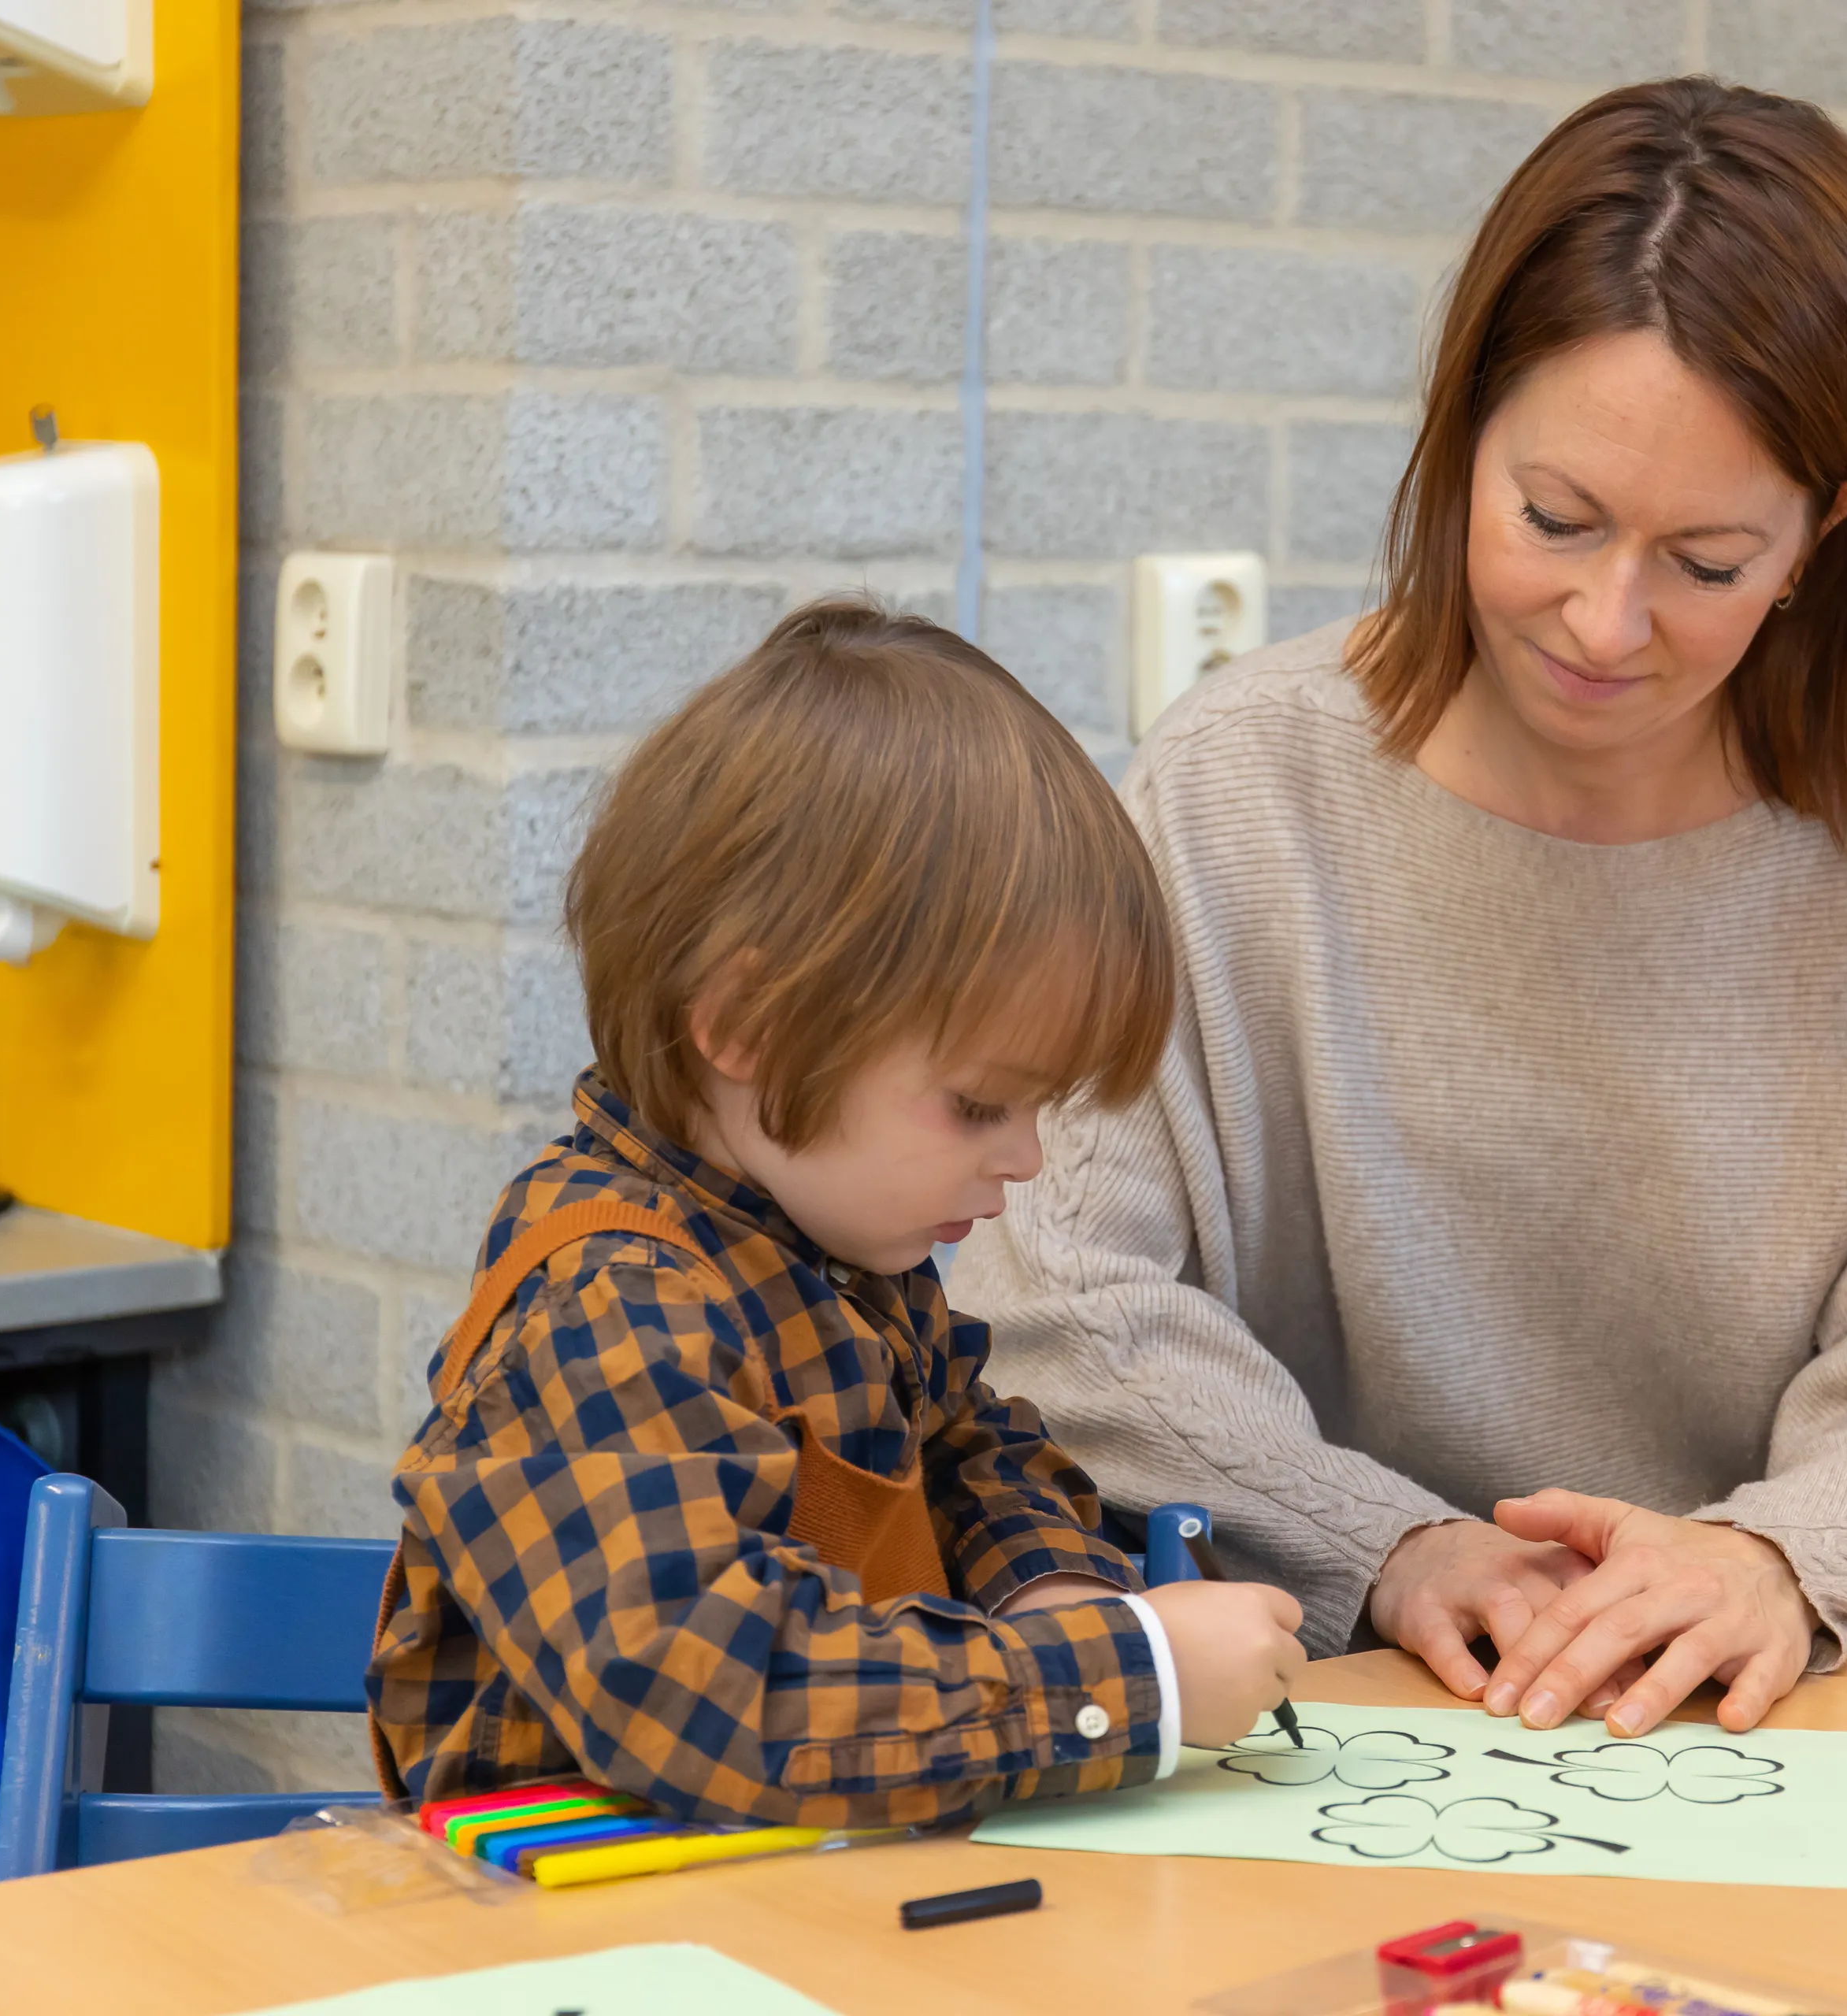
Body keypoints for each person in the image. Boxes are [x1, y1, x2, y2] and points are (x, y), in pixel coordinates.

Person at [954, 77, 1847, 1745]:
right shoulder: (1235, 790)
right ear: (1461, 440)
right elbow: (1057, 1300)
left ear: (1826, 532)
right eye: (1554, 519)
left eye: (1706, 562)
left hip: (1774, 1716)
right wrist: (1388, 1541)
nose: (1604, 620)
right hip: (1337, 1695)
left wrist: (1775, 1556)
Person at [365, 598, 1306, 1827]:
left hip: (799, 1885)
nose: (1025, 1160)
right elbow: (719, 1700)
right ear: (749, 1026)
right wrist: (1124, 1680)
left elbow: (970, 1453)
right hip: (572, 1912)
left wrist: (1052, 1596)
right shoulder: (608, 1306)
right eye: (977, 1106)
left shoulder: (843, 1255)